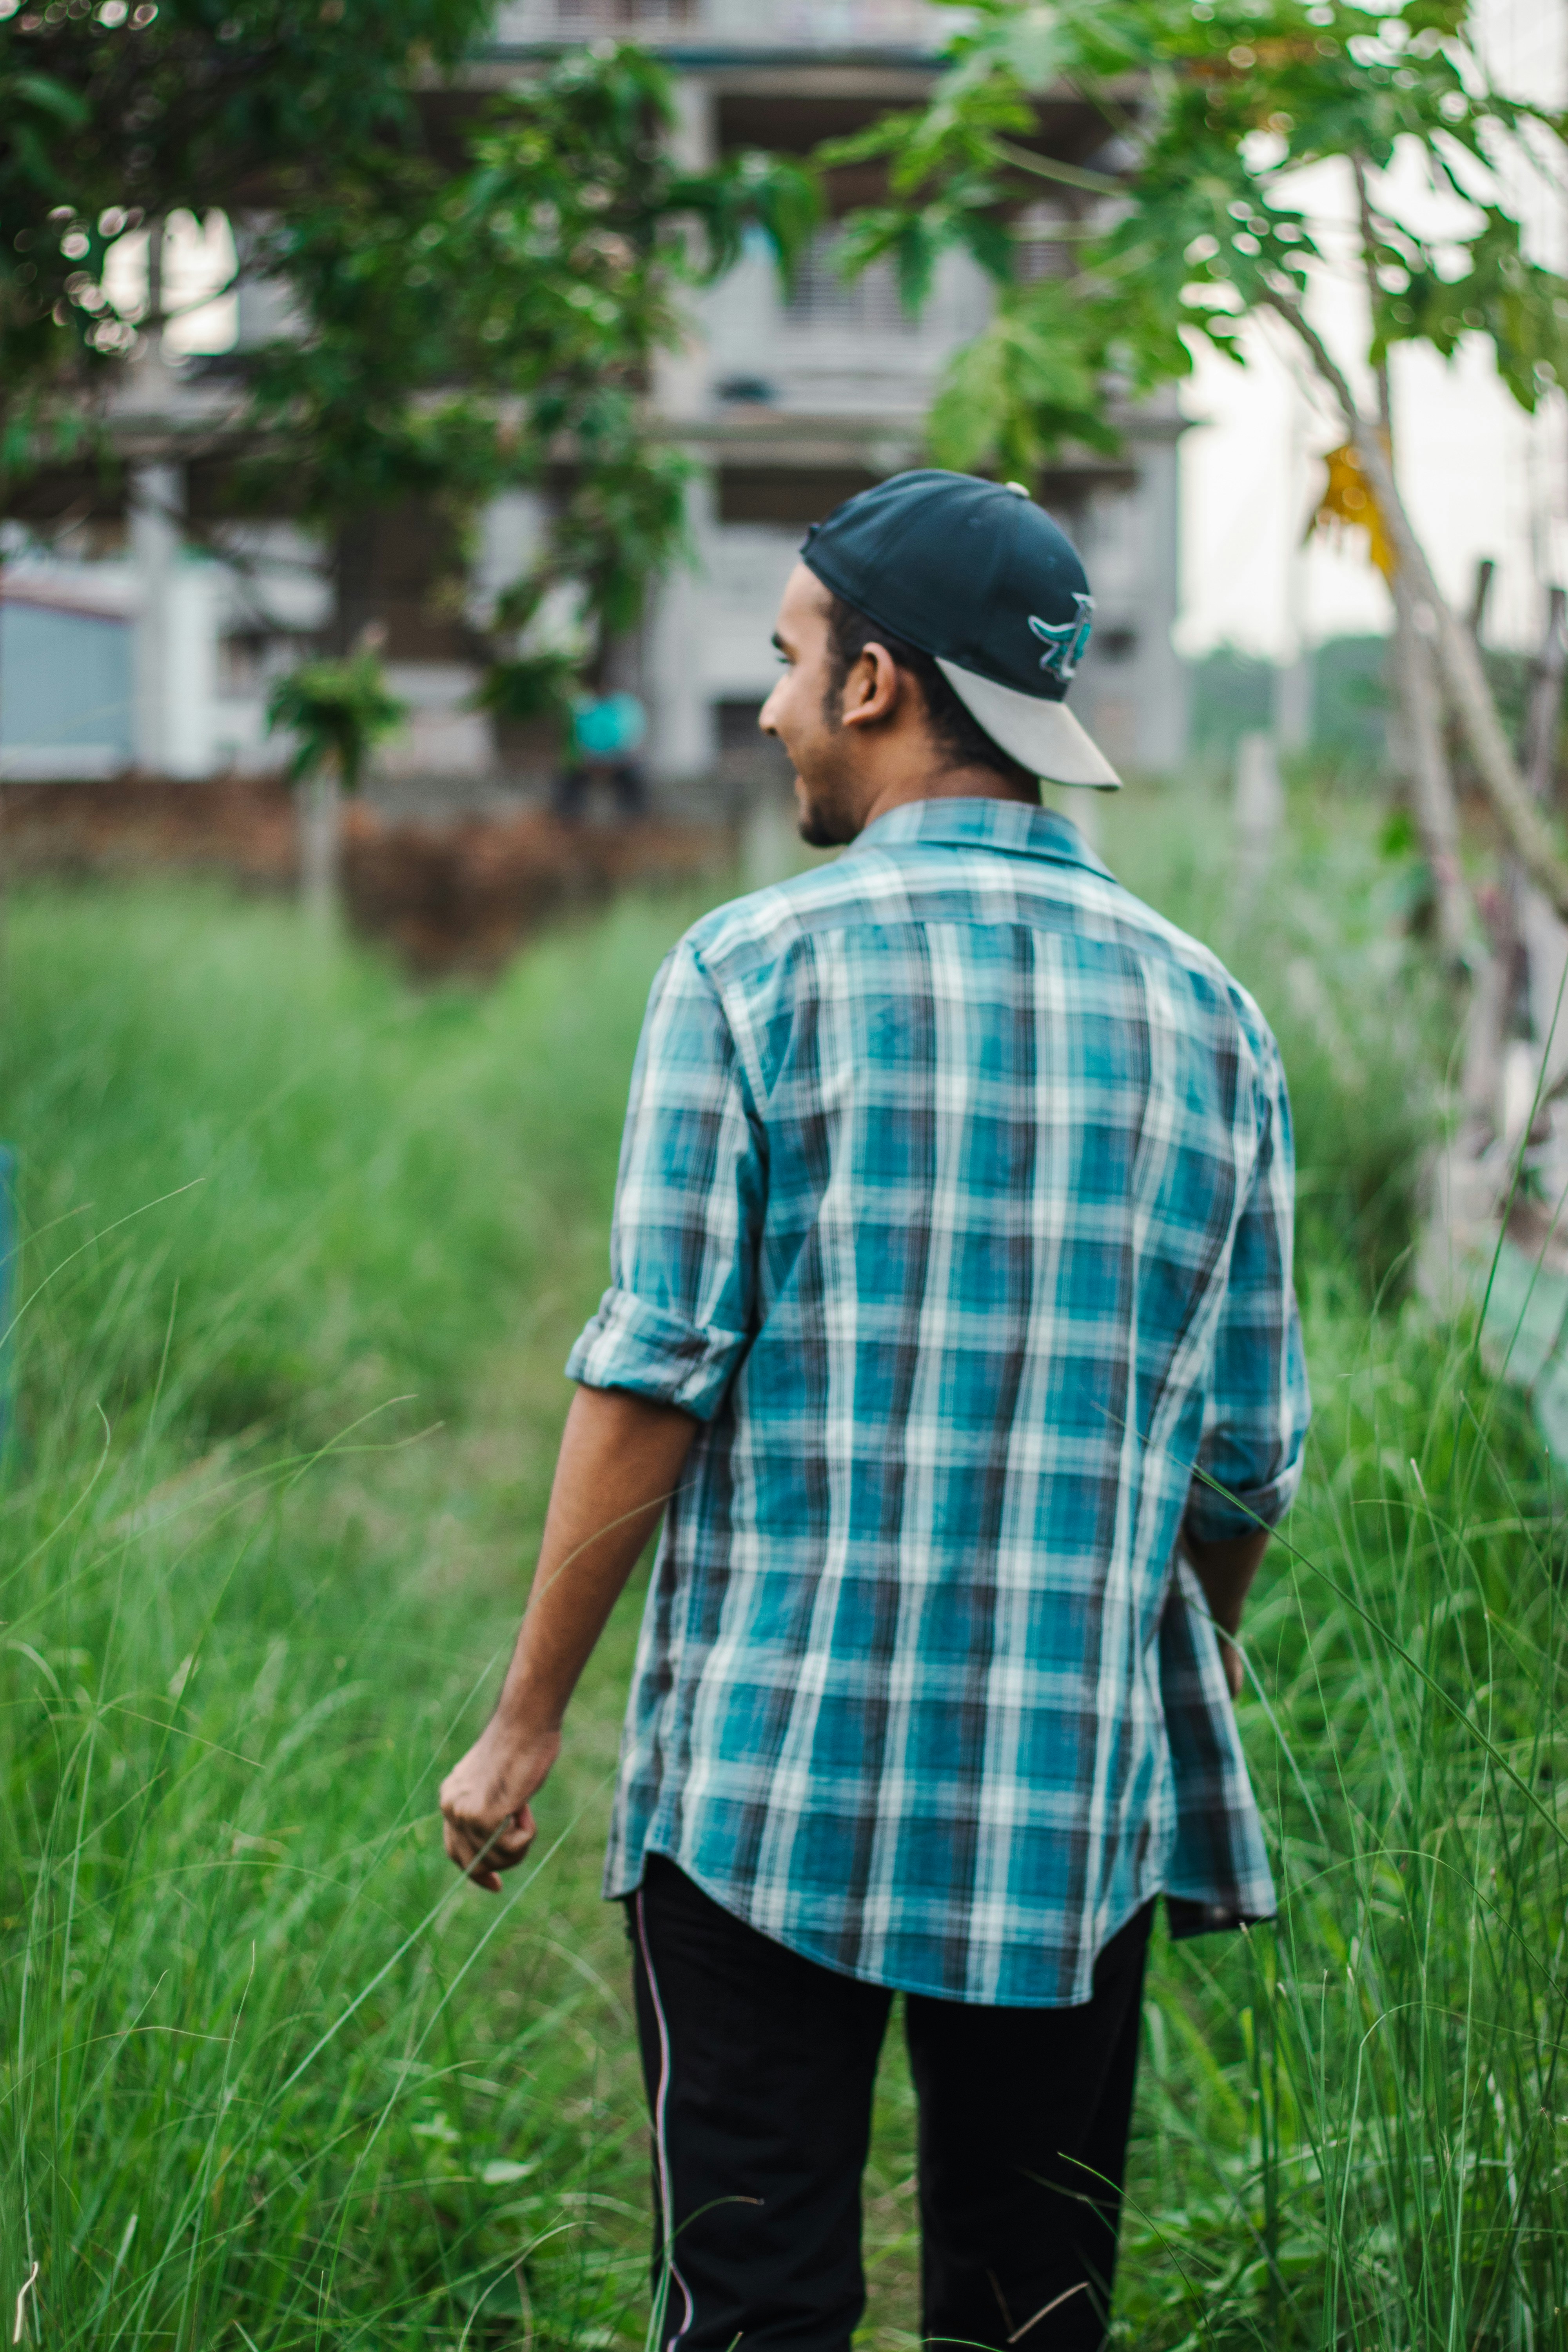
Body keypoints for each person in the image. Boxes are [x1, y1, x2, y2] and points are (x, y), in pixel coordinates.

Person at [439, 470, 1310, 2352]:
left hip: (765, 1799)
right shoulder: (1212, 1018)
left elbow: (651, 1374)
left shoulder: (747, 975)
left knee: (751, 2307)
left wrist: (522, 1725)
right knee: (1024, 2306)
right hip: (1063, 1806)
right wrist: (1193, 1655)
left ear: (873, 686)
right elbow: (1242, 1449)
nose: (763, 706)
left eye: (783, 659)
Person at [554, 687, 648, 820]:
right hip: (590, 759)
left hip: (620, 760)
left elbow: (634, 740)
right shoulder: (584, 705)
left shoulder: (625, 706)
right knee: (569, 776)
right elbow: (578, 737)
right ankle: (568, 815)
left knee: (634, 777)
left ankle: (633, 816)